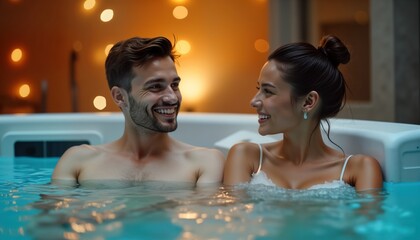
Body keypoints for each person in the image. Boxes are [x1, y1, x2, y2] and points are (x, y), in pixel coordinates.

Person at [52, 36, 225, 187]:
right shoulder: (79, 161)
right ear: (120, 96)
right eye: (156, 87)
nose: (172, 98)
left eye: (175, 85)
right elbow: (49, 221)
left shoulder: (203, 163)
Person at [223, 35, 383, 191]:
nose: (254, 101)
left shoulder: (359, 169)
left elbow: (370, 218)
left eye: (268, 91)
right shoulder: (246, 157)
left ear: (308, 102)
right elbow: (237, 216)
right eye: (259, 89)